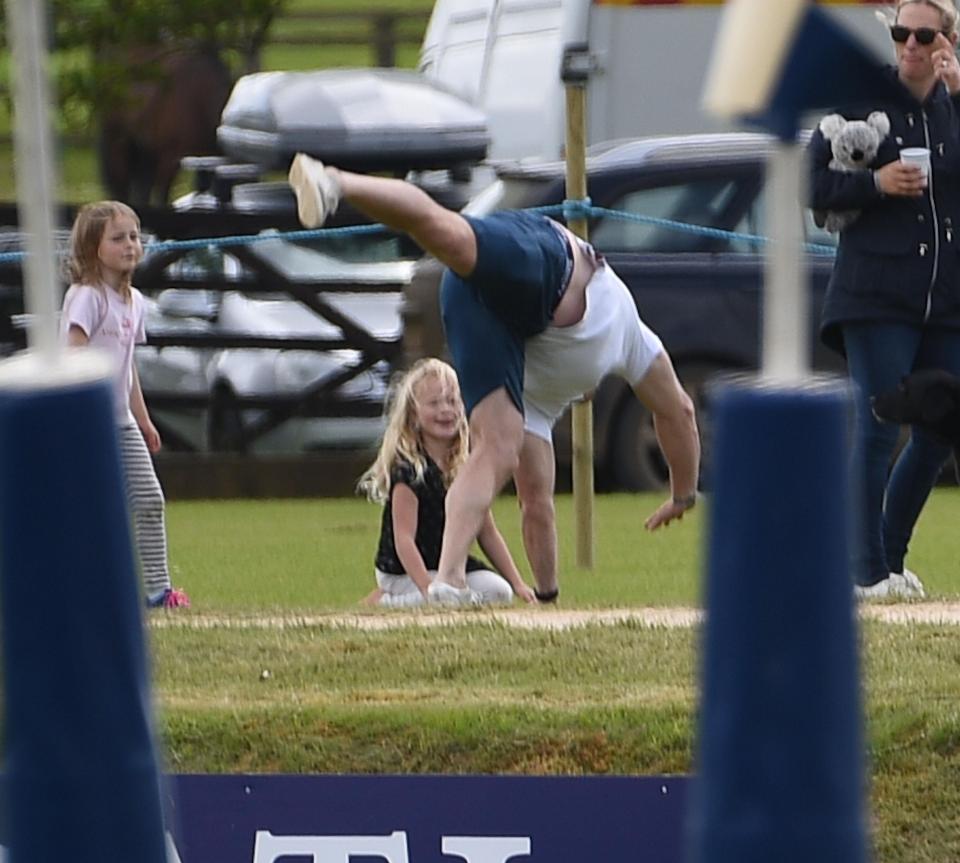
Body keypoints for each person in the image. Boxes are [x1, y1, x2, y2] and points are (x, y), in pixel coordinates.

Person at [288, 153, 700, 606]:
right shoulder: (633, 339)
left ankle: (447, 583)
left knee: (494, 449)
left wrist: (545, 597)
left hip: (474, 304)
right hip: (552, 262)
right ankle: (335, 180)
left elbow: (537, 509)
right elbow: (677, 410)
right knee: (447, 233)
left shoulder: (536, 410)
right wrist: (683, 493)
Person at [809, 0, 960, 601]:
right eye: (901, 34)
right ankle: (863, 570)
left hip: (944, 298)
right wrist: (875, 183)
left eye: (925, 35)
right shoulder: (861, 104)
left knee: (939, 431)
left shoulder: (953, 107)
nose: (911, 46)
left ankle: (890, 561)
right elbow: (811, 181)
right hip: (875, 293)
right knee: (878, 429)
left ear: (947, 39)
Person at [63, 201, 190, 609]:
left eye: (134, 237)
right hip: (87, 422)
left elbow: (127, 365)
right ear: (91, 247)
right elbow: (75, 352)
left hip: (121, 423)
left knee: (149, 499)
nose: (130, 245)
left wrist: (144, 420)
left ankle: (159, 590)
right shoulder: (86, 296)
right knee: (86, 509)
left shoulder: (134, 301)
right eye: (118, 238)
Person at [359, 357, 535, 606]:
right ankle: (384, 601)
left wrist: (518, 583)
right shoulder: (409, 472)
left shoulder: (467, 469)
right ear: (414, 416)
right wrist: (427, 589)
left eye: (452, 401)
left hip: (447, 566)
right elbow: (404, 540)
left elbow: (488, 533)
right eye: (434, 403)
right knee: (446, 598)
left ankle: (448, 596)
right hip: (404, 570)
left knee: (499, 592)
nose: (445, 409)